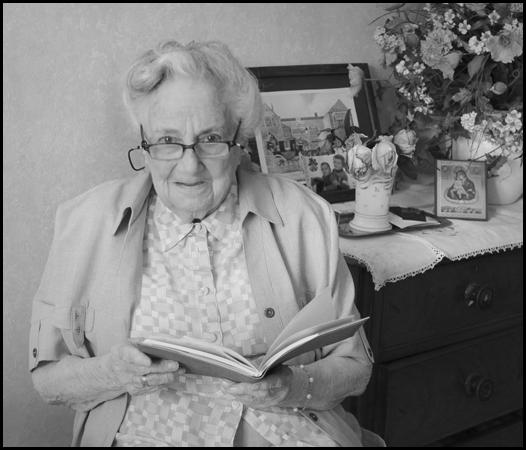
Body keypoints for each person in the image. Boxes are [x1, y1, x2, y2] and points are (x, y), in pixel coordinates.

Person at [29, 40, 383, 447]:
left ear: (238, 139)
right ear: (144, 142)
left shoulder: (303, 215)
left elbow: (355, 368)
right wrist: (113, 373)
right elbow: (48, 381)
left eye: (210, 138)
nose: (189, 165)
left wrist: (292, 385)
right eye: (166, 140)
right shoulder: (84, 222)